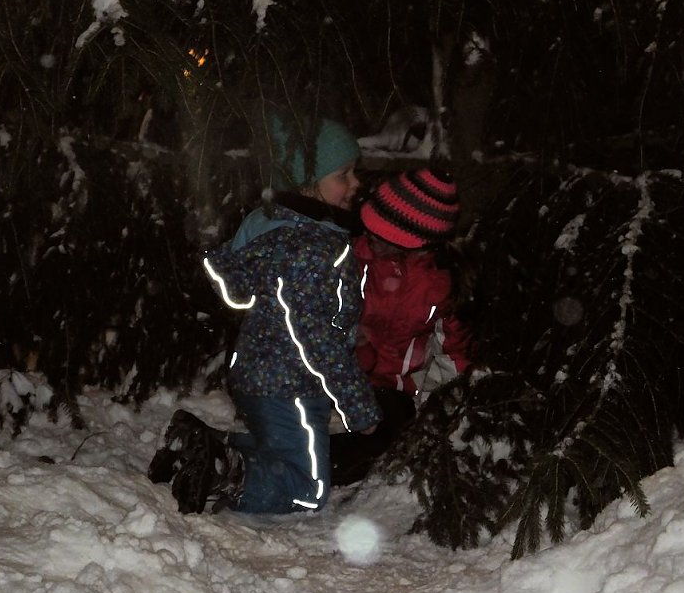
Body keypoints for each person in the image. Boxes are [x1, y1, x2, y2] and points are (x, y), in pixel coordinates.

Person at [148, 112, 382, 514]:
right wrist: (355, 404)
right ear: (306, 182)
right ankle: (222, 470)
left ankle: (202, 446)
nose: (355, 184)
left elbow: (283, 306)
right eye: (343, 175)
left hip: (260, 374)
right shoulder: (311, 248)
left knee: (278, 451)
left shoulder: (275, 228)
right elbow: (313, 335)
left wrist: (347, 328)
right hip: (291, 385)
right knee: (308, 487)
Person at [329, 166, 473, 485]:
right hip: (339, 381)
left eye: (384, 236)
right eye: (371, 230)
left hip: (394, 392)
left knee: (368, 444)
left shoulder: (438, 286)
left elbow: (452, 356)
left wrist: (437, 406)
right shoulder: (351, 259)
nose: (372, 239)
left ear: (416, 242)